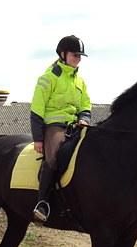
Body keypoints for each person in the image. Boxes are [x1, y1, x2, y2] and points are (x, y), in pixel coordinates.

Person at [30, 35, 92, 223]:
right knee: (54, 157)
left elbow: (86, 105)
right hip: (54, 128)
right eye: (75, 55)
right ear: (63, 54)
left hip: (76, 126)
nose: (78, 59)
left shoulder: (80, 81)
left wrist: (84, 118)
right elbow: (37, 111)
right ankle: (42, 203)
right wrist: (38, 139)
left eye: (80, 56)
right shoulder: (47, 79)